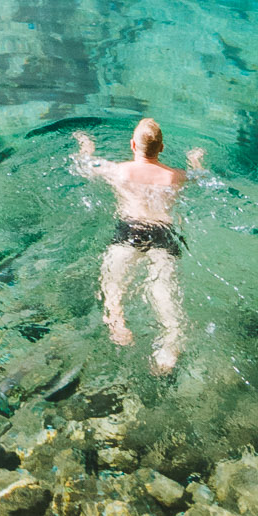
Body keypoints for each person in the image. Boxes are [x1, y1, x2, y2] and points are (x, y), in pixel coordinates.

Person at [75, 118, 204, 377]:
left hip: (130, 230)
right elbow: (200, 178)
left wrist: (85, 147)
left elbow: (85, 167)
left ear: (132, 145)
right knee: (163, 290)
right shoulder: (174, 176)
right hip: (164, 232)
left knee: (113, 282)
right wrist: (195, 160)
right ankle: (171, 340)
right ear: (162, 148)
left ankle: (117, 322)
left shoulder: (118, 170)